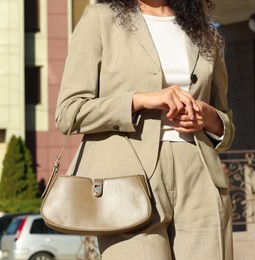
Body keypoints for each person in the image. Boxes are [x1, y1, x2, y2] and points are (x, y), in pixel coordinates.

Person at [55, 0, 235, 259]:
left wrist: (210, 118)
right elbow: (68, 112)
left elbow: (225, 123)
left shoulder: (205, 32)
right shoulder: (101, 18)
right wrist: (139, 100)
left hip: (200, 174)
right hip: (127, 178)